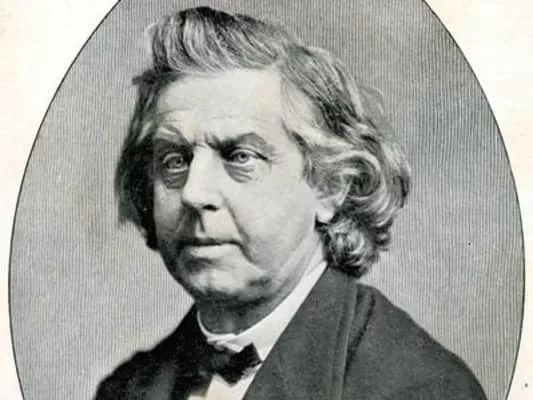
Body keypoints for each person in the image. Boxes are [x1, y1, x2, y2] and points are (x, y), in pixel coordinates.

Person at [94, 6, 487, 400]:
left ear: (330, 186)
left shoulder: (422, 388)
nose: (194, 193)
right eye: (175, 160)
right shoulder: (126, 389)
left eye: (240, 156)